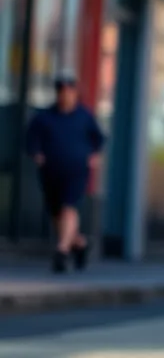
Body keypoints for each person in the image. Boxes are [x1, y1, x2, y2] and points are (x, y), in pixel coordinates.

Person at [25, 73, 105, 273]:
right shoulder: (44, 117)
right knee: (57, 212)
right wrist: (37, 154)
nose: (65, 96)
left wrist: (94, 156)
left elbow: (99, 139)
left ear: (75, 93)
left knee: (69, 207)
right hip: (51, 171)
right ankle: (79, 243)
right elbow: (31, 140)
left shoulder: (84, 116)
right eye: (62, 92)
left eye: (69, 91)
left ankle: (61, 250)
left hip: (76, 170)